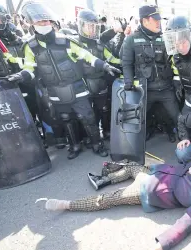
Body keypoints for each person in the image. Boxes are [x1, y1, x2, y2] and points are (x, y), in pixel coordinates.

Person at [39, 159, 191, 250]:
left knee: (107, 200)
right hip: (152, 173)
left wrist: (163, 244)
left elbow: (186, 224)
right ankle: (107, 178)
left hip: (146, 192)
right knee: (131, 165)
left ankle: (68, 205)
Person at [8, 1, 120, 159]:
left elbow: (87, 56)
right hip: (55, 90)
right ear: (31, 23)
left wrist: (105, 66)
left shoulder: (65, 40)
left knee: (88, 117)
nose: (44, 24)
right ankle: (74, 145)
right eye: (40, 22)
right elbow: (30, 68)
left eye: (46, 21)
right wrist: (21, 75)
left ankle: (97, 144)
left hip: (76, 87)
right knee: (66, 119)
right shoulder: (30, 47)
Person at [120, 4, 179, 142]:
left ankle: (177, 134)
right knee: (140, 117)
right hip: (145, 89)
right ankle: (141, 136)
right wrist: (128, 82)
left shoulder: (164, 38)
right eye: (155, 19)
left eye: (159, 19)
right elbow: (126, 63)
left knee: (176, 115)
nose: (159, 22)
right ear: (145, 21)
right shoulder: (131, 40)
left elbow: (174, 60)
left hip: (166, 87)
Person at [77, 9, 119, 140]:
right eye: (89, 26)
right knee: (86, 114)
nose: (92, 30)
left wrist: (128, 61)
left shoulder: (100, 44)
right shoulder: (74, 44)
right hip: (83, 84)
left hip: (100, 82)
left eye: (94, 27)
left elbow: (112, 59)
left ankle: (106, 131)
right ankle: (88, 136)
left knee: (105, 109)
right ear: (81, 25)